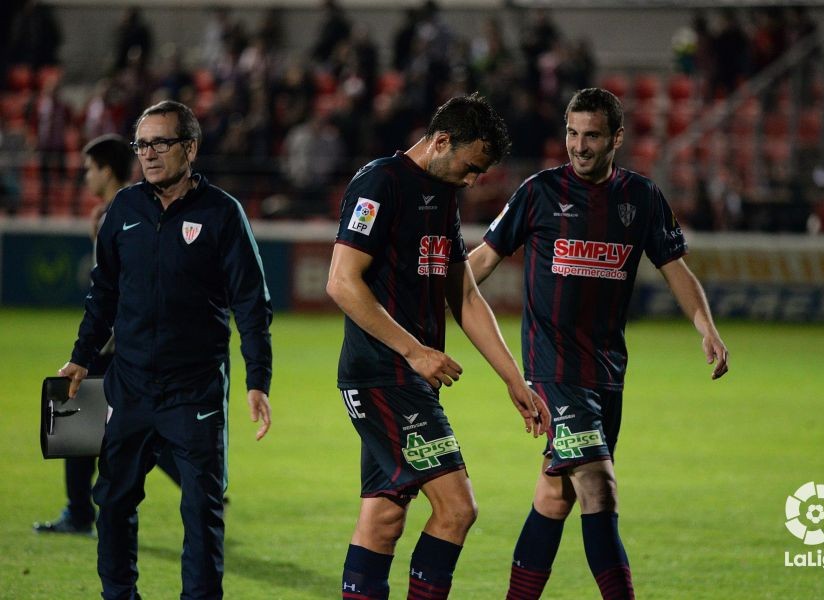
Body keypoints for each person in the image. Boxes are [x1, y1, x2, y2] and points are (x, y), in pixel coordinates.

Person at [468, 88, 729, 599]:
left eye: (591, 136)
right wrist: (428, 306)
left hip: (607, 372)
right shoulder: (538, 192)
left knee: (555, 493)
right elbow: (479, 262)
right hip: (554, 369)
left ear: (616, 139)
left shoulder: (642, 198)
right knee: (599, 487)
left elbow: (675, 267)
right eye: (572, 133)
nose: (579, 146)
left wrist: (707, 326)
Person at [326, 93, 550, 600]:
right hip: (382, 375)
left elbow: (464, 293)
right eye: (471, 168)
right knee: (457, 509)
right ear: (442, 141)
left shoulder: (442, 192)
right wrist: (415, 350)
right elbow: (341, 282)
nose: (472, 181)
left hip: (410, 377)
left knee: (384, 516)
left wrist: (514, 380)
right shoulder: (380, 183)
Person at [57, 100, 273, 600]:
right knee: (112, 504)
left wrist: (257, 379)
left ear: (190, 147)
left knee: (201, 510)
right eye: (142, 144)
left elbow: (251, 303)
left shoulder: (223, 214)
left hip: (194, 393)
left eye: (161, 143)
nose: (149, 154)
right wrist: (82, 355)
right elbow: (103, 295)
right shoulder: (123, 211)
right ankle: (119, 594)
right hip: (128, 388)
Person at [33, 134, 183, 537]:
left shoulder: (110, 215)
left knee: (79, 420)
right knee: (136, 422)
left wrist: (94, 345)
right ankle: (198, 477)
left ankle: (80, 513)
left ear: (106, 170)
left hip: (115, 343)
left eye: (89, 169)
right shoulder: (149, 207)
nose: (84, 176)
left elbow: (110, 289)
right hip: (141, 340)